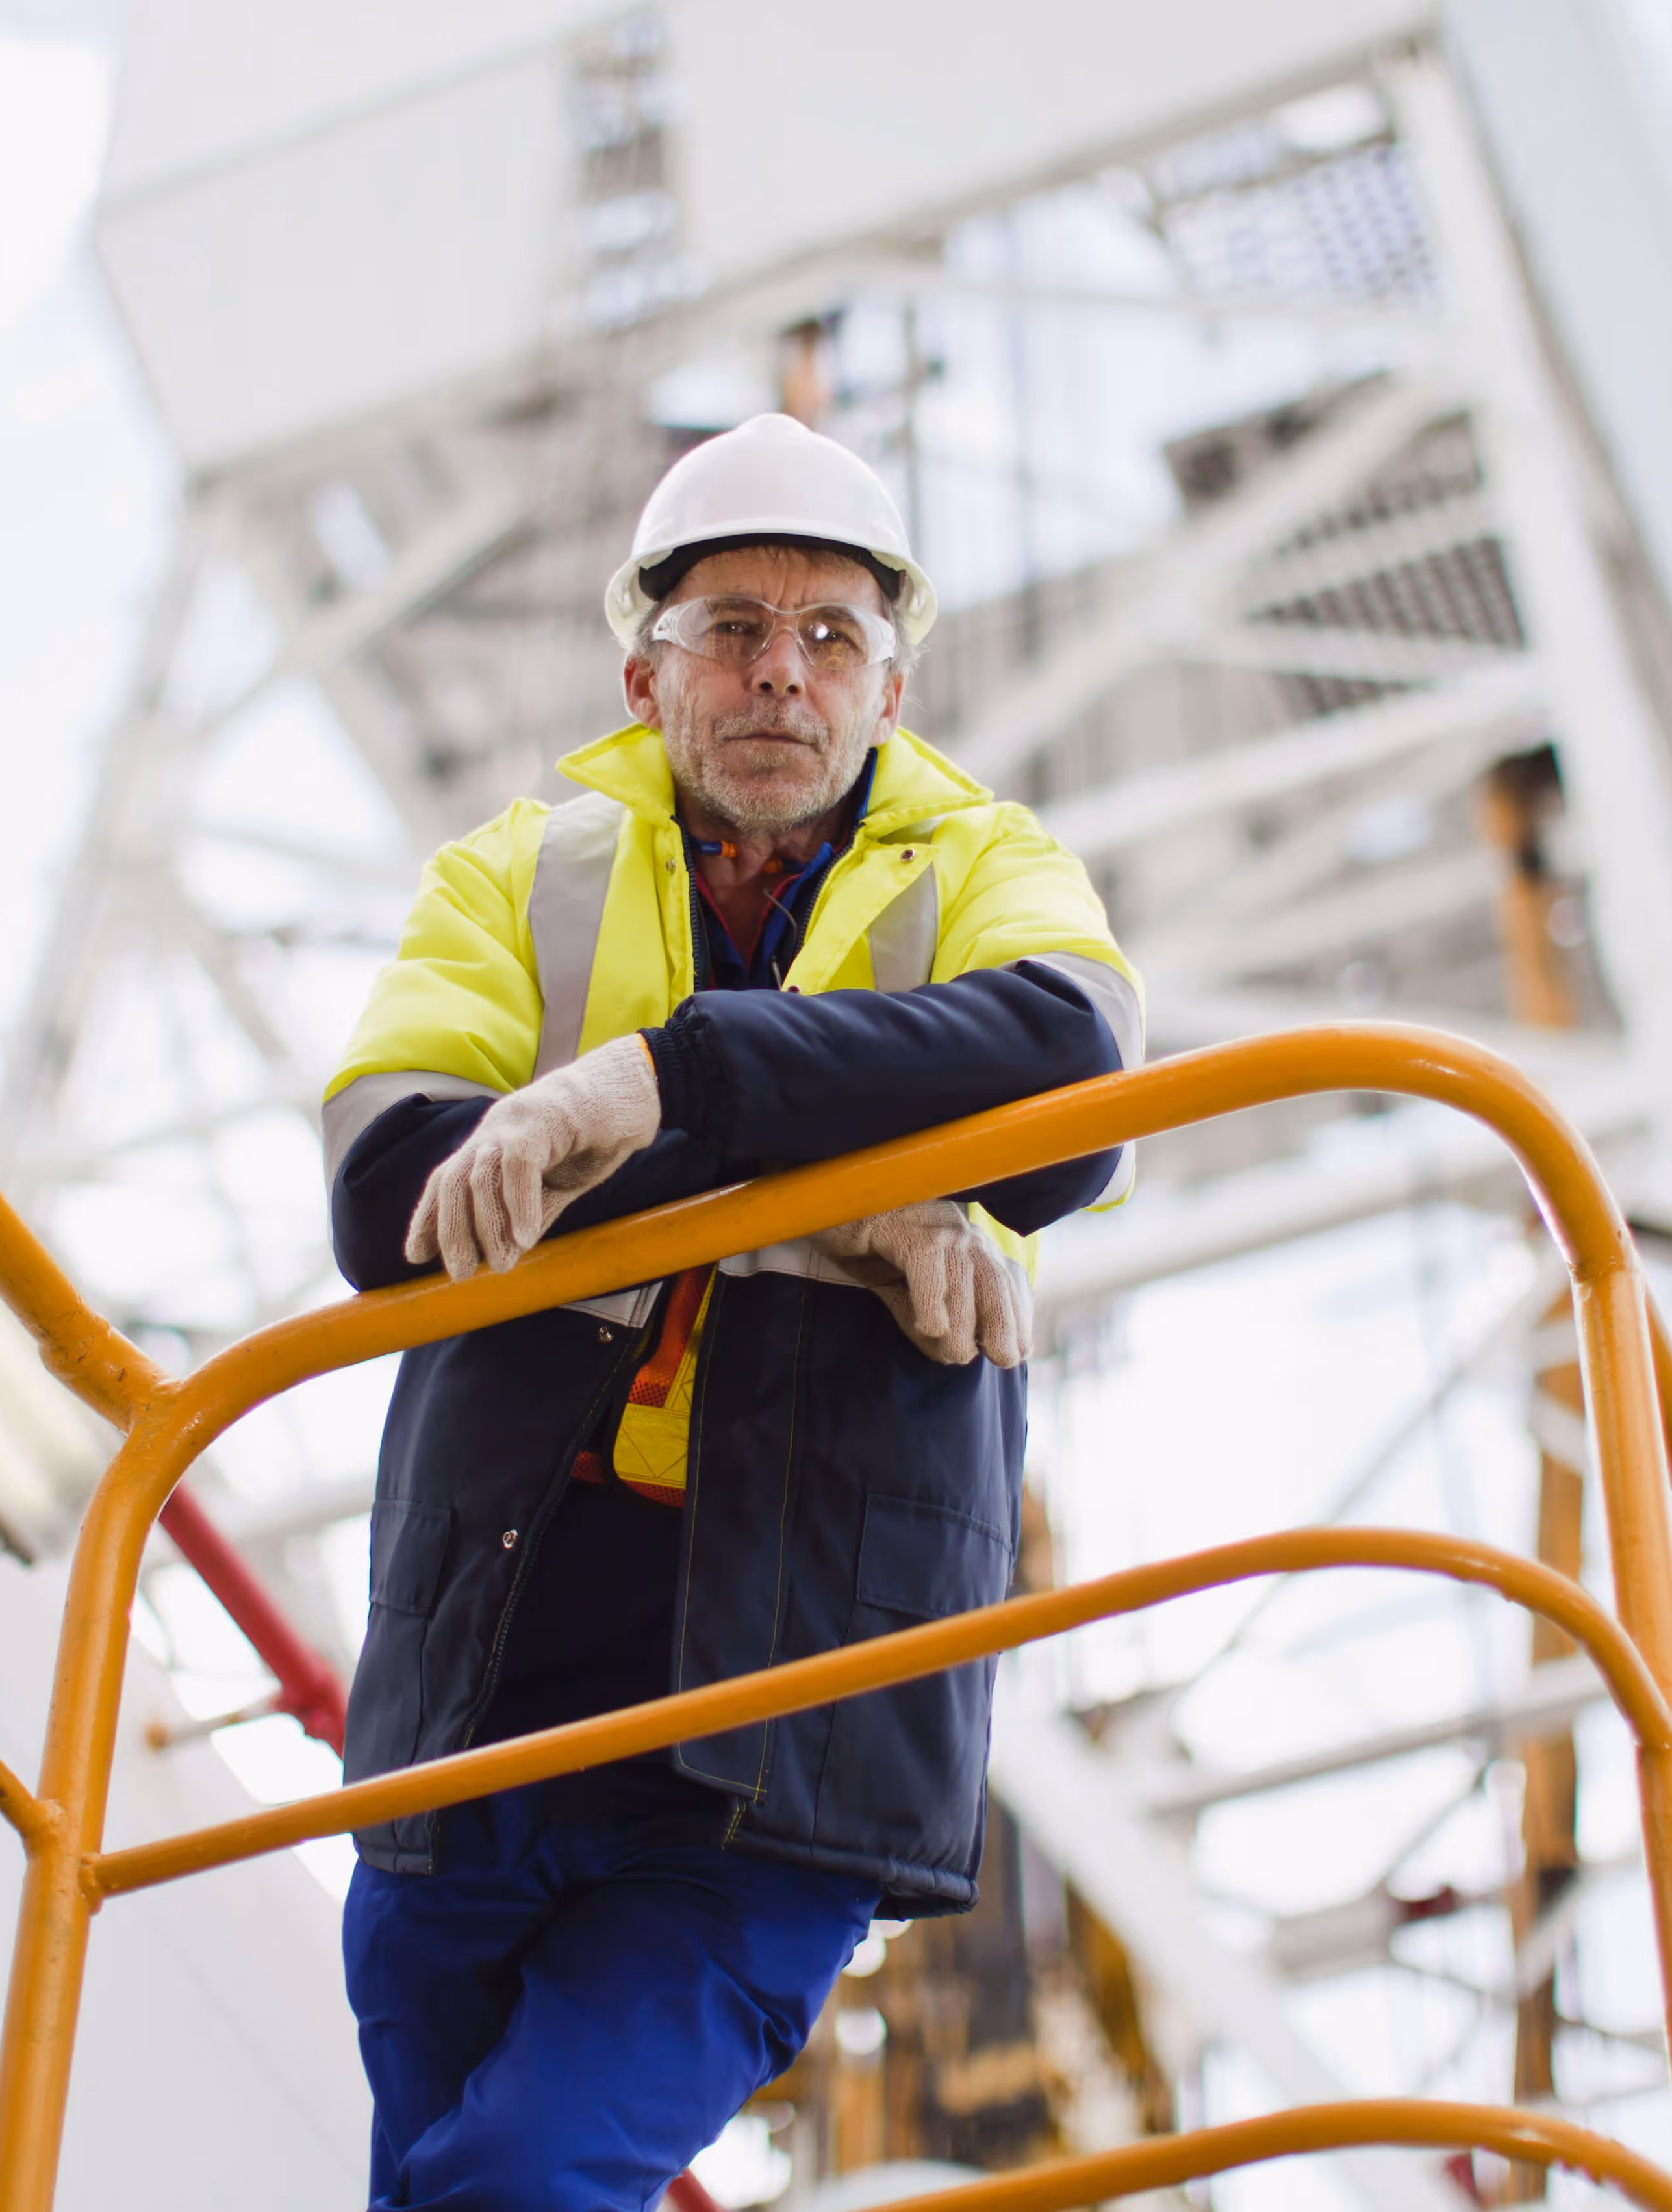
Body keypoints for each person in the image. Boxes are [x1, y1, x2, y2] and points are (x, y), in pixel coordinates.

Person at [319, 412, 1143, 2210]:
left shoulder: (982, 865)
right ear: (644, 669)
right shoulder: (517, 874)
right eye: (734, 630)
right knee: (437, 2184)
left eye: (832, 636)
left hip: (787, 1732)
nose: (784, 673)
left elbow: (1072, 1074)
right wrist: (854, 1199)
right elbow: (390, 1196)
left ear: (892, 690)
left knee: (521, 2178)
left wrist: (645, 1092)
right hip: (486, 1686)